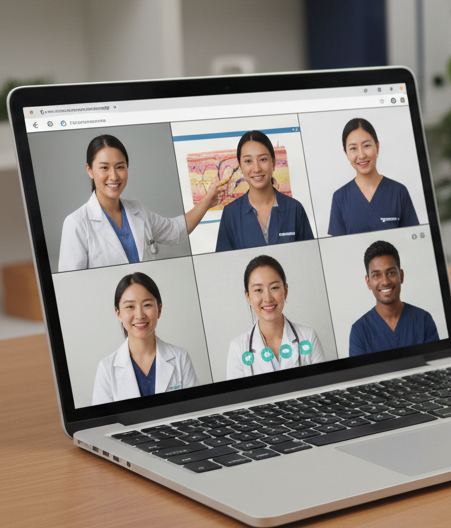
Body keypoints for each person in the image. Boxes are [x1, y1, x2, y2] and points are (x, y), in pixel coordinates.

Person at [58, 135, 231, 271]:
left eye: (120, 166)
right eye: (104, 167)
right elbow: (71, 286)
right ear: (89, 170)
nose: (114, 176)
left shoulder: (137, 209)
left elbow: (175, 231)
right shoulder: (76, 223)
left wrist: (207, 201)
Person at [92, 272, 199, 405]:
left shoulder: (180, 358)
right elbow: (105, 423)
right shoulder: (106, 369)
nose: (139, 315)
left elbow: (194, 410)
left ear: (159, 309)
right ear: (118, 313)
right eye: (130, 307)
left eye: (147, 305)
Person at [225, 254, 325, 379]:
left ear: (285, 291)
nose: (267, 298)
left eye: (274, 288)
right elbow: (238, 397)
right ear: (248, 297)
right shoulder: (238, 348)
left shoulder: (309, 337)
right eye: (258, 290)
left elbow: (321, 388)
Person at [215, 131, 315, 251]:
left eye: (263, 159)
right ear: (240, 167)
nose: (256, 169)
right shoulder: (230, 214)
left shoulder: (294, 209)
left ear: (273, 162)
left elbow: (310, 258)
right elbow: (224, 265)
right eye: (248, 161)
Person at [326, 118, 420, 236]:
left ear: (377, 147)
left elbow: (414, 240)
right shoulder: (340, 198)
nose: (361, 155)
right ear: (346, 154)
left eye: (366, 145)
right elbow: (337, 249)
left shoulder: (399, 192)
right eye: (353, 148)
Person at [348, 240, 438, 357]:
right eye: (376, 275)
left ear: (401, 276)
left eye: (391, 273)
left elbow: (435, 365)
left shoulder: (423, 320)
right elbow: (362, 375)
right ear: (368, 282)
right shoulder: (359, 331)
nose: (385, 281)